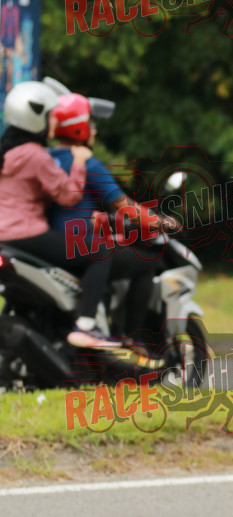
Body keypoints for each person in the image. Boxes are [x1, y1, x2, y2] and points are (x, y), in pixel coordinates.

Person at [0, 80, 120, 349]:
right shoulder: (36, 156)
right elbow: (68, 195)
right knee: (100, 251)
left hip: (4, 238)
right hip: (28, 235)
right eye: (50, 117)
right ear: (35, 119)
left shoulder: (6, 153)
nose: (54, 122)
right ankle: (86, 325)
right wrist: (79, 161)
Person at [48, 92, 168, 353]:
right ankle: (133, 338)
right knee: (145, 264)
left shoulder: (45, 159)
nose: (94, 130)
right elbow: (127, 208)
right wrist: (162, 223)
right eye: (91, 124)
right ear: (79, 128)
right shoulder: (89, 164)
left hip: (50, 244)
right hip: (79, 246)